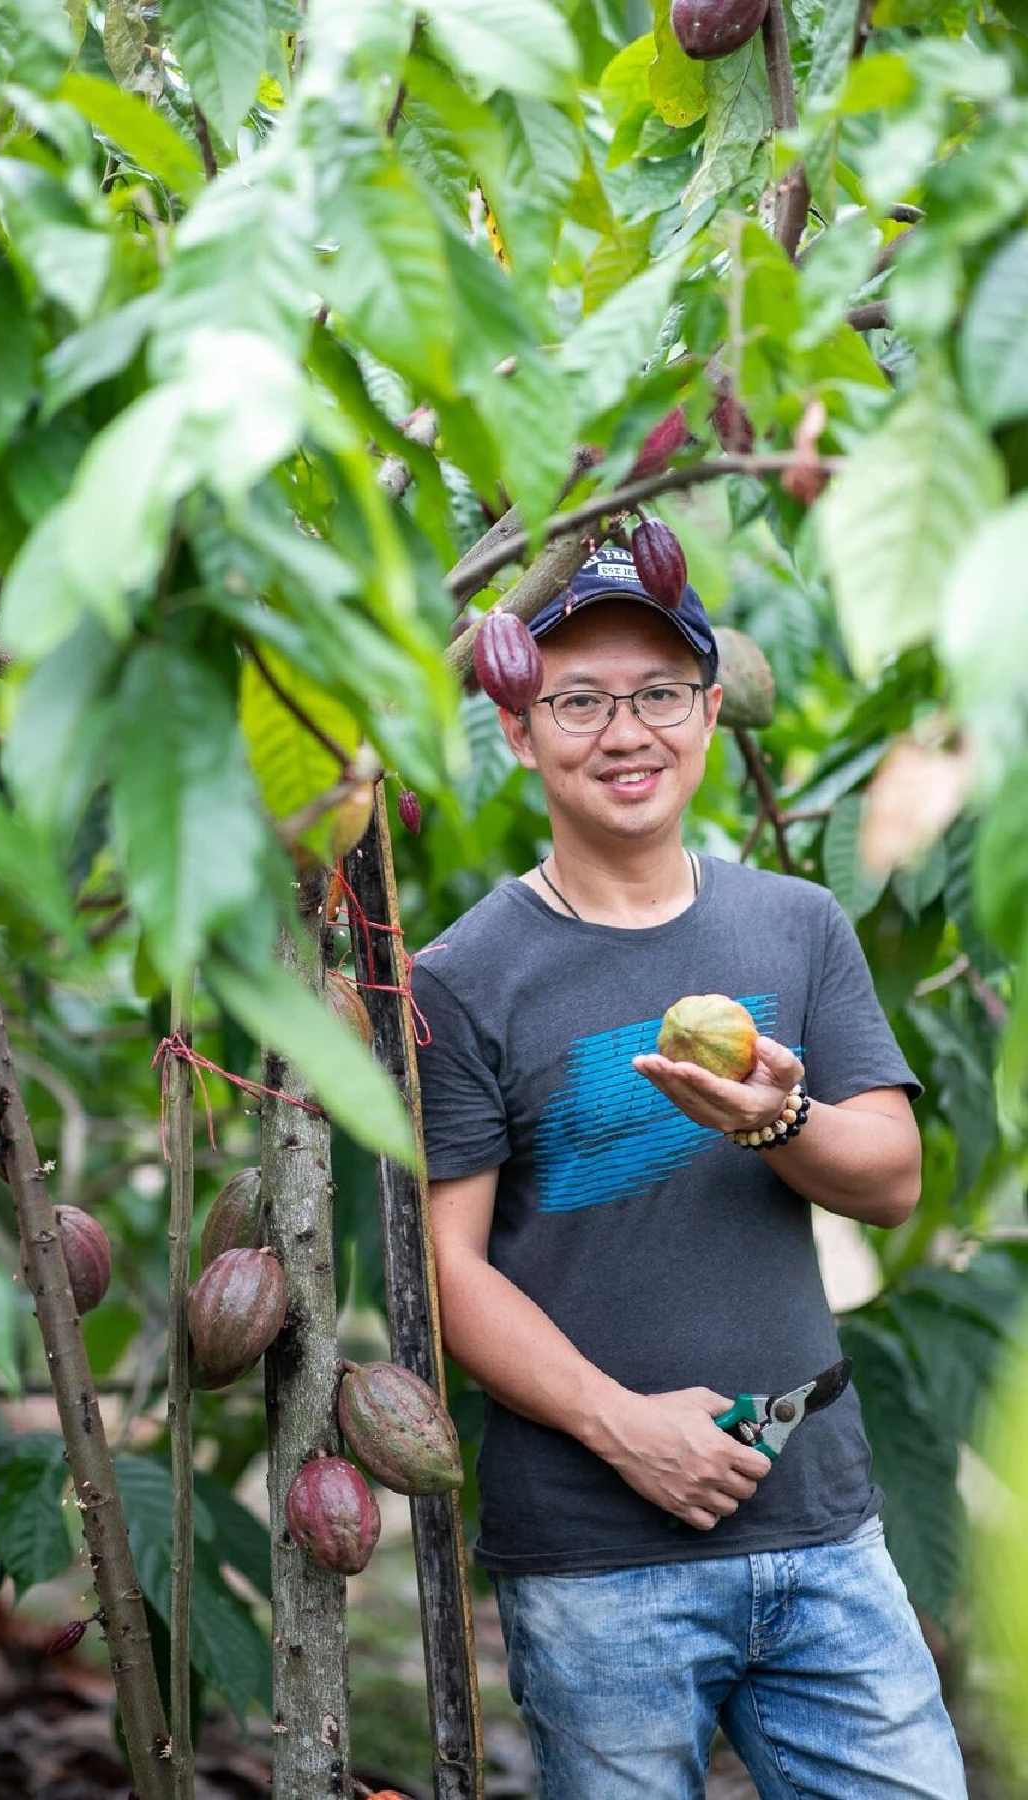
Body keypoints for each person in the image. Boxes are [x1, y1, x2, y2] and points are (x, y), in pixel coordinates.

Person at [411, 544, 967, 1799]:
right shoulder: (463, 974)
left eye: (659, 692)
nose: (627, 731)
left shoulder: (794, 924)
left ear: (710, 713)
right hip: (600, 1558)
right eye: (580, 699)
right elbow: (443, 1274)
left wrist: (777, 1120)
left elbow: (888, 1178)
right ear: (518, 730)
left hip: (823, 1524)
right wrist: (628, 1430)